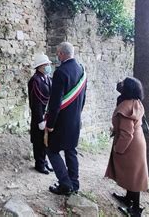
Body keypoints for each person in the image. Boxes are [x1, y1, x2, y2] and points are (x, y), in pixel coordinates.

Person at [45, 42, 86, 196]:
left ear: (62, 54)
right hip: (75, 120)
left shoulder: (60, 72)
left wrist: (50, 124)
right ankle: (74, 184)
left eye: (58, 53)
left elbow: (55, 103)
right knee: (71, 151)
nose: (57, 55)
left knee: (52, 150)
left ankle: (65, 184)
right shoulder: (81, 70)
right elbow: (83, 99)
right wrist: (76, 115)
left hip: (61, 122)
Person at [105, 77, 148, 217]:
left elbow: (126, 134)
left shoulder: (126, 107)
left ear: (128, 89)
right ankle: (128, 199)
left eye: (123, 84)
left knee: (134, 177)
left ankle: (135, 210)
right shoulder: (136, 102)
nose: (120, 84)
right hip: (138, 141)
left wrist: (118, 149)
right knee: (132, 175)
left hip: (131, 146)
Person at [27, 53, 54, 175]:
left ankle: (45, 161)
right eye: (46, 64)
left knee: (46, 140)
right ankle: (39, 163)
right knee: (38, 140)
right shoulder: (35, 80)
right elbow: (36, 102)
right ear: (40, 66)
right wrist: (39, 120)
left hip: (47, 114)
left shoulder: (47, 78)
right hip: (40, 115)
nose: (49, 66)